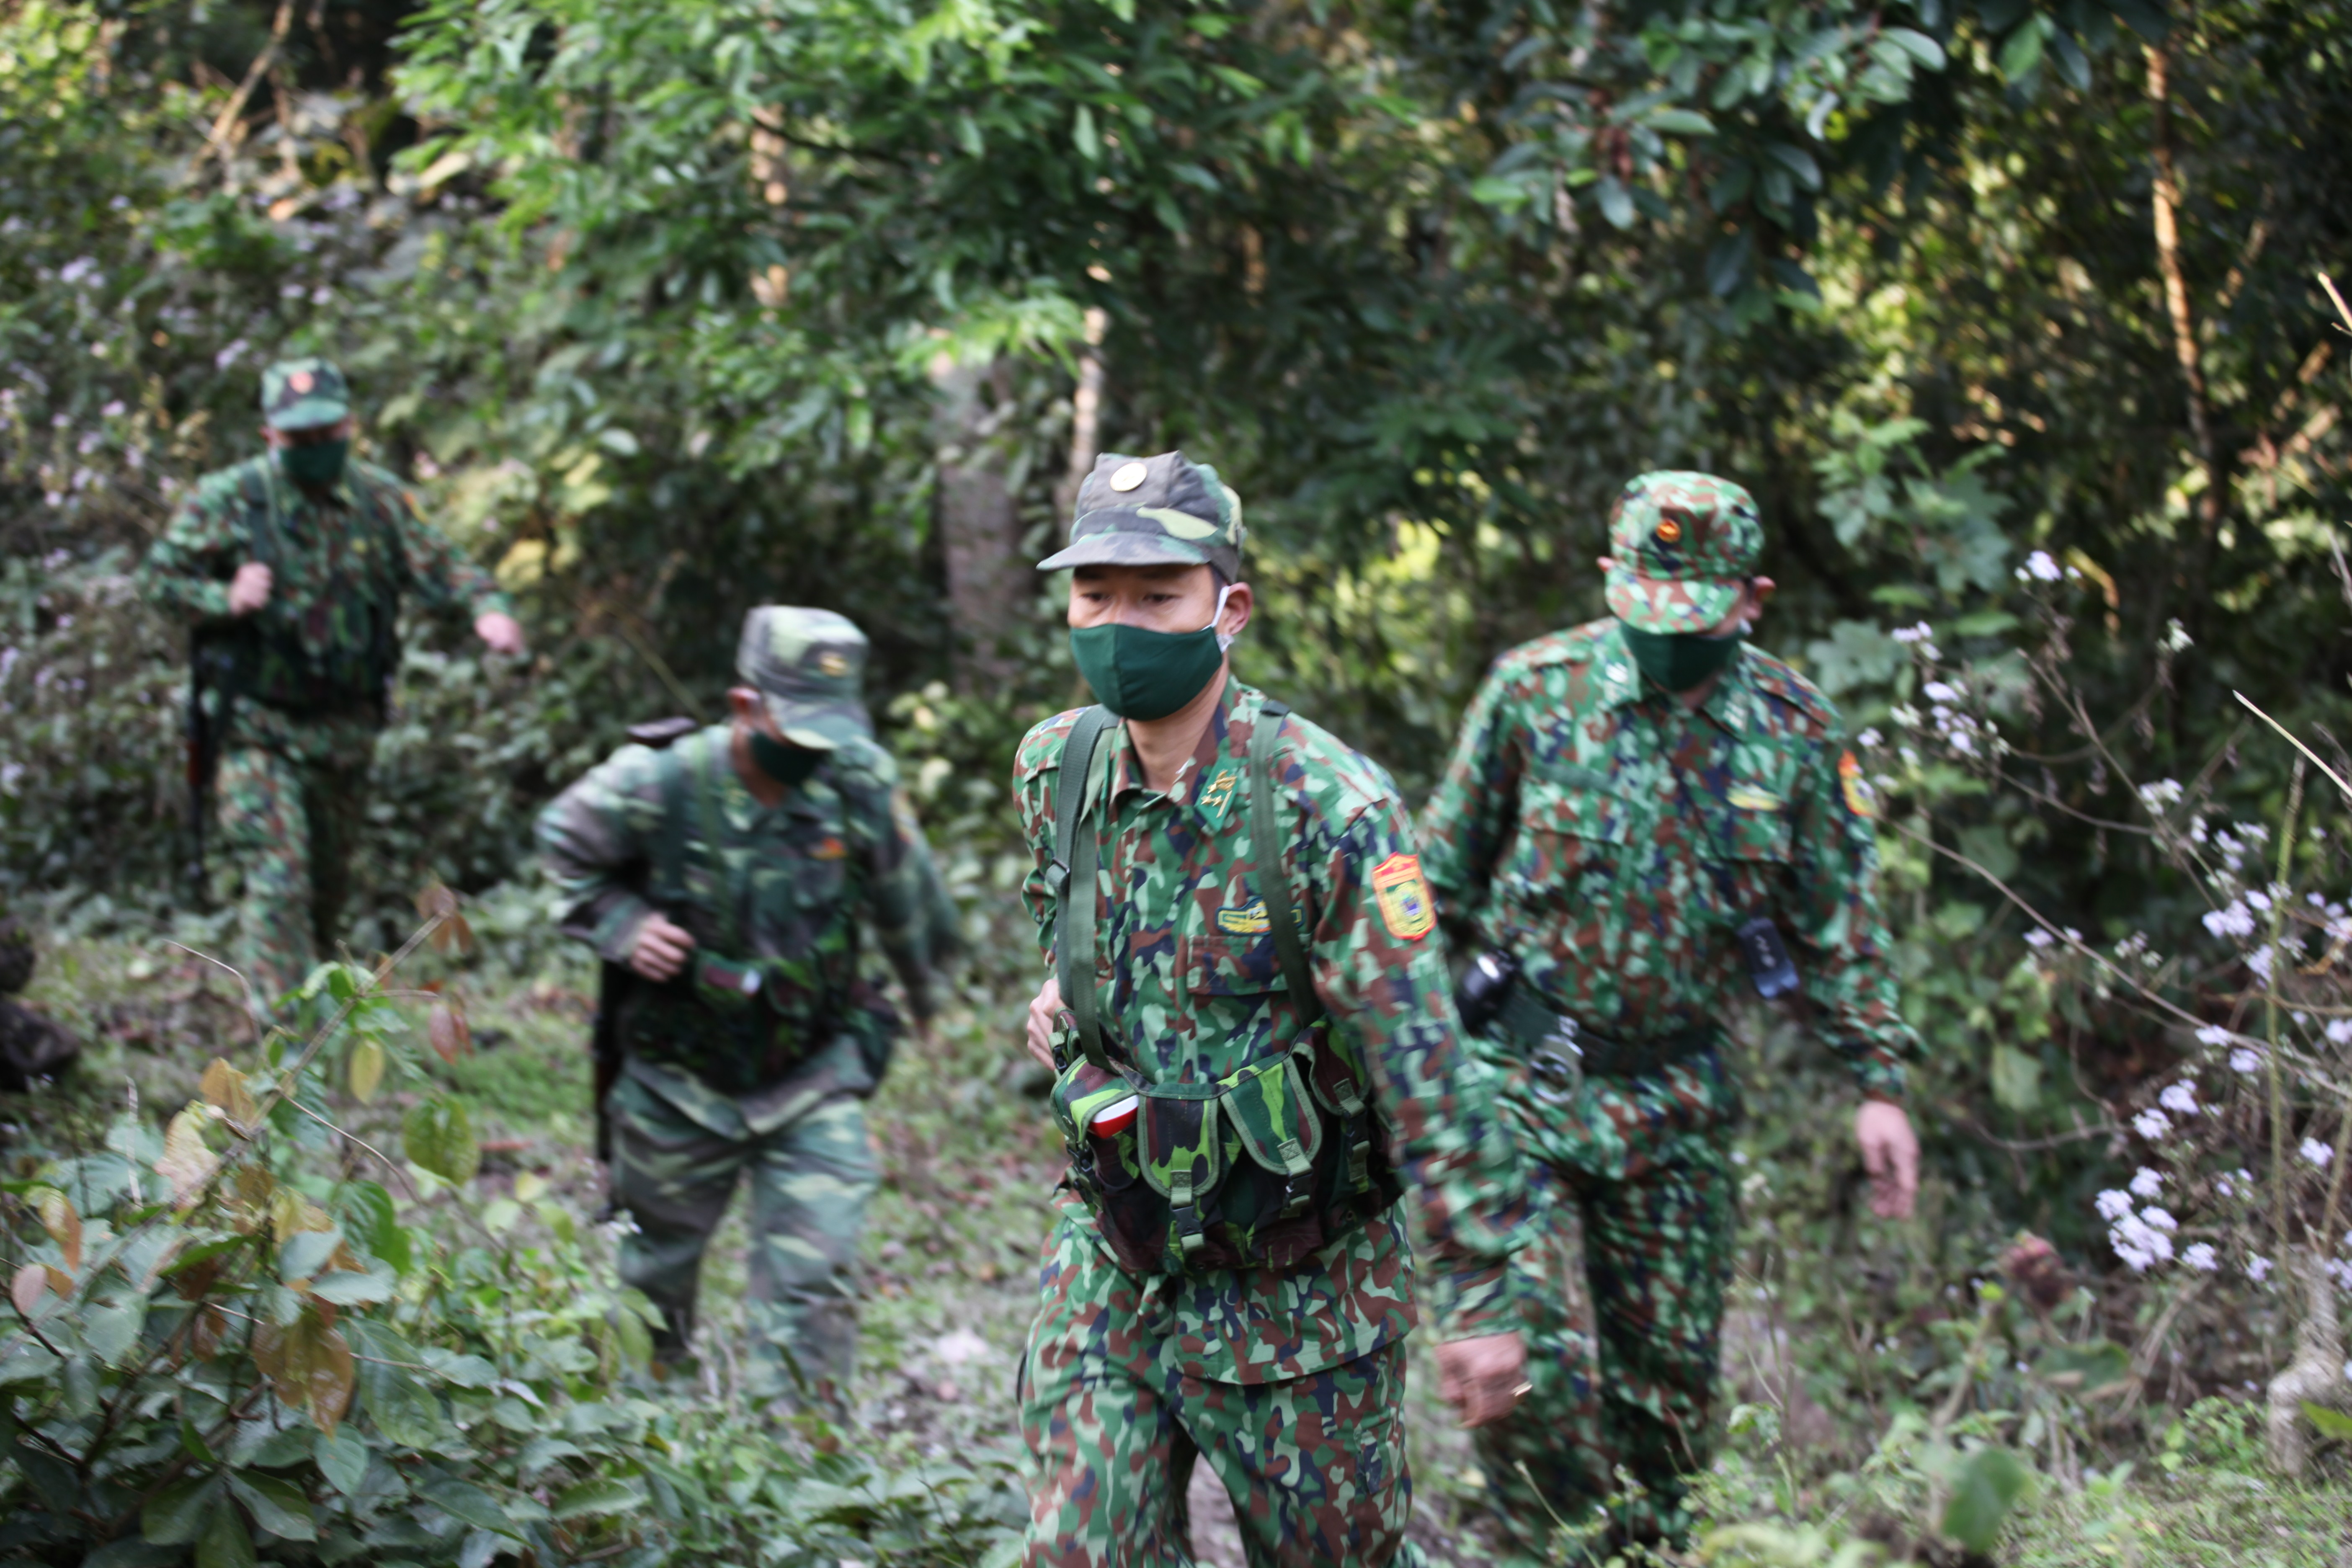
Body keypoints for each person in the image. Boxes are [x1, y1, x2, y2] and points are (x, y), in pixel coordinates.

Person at [1012, 451, 1529, 1568]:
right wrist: (1068, 995)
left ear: (1229, 608)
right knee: (1080, 1551)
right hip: (1117, 1263)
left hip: (1301, 1301)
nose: (1120, 623)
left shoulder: (1328, 808)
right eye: (1095, 594)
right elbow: (1080, 923)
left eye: (1159, 596)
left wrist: (1482, 1291)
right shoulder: (1057, 768)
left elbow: (1424, 1063)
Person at [1417, 470, 1924, 1553]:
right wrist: (1398, 1058)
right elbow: (1434, 889)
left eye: (1696, 617)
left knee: (1669, 1413)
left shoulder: (1791, 728)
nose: (1667, 641)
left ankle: (1640, 1545)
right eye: (1645, 610)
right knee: (1522, 1365)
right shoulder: (1534, 691)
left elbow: (1840, 919)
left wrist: (1879, 1082)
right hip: (1525, 1074)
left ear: (1753, 599)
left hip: (1680, 1102)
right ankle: (1548, 1538)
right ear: (1611, 581)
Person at [536, 606, 953, 1409]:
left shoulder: (857, 781)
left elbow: (913, 902)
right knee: (651, 1278)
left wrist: (924, 1000)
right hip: (676, 1079)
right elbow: (563, 842)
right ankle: (643, 1445)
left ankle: (800, 1469)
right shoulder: (659, 780)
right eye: (797, 730)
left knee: (816, 1277)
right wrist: (623, 925)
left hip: (811, 1075)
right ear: (744, 706)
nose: (812, 754)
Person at [137, 357, 524, 1008]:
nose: (316, 450)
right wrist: (222, 594)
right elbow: (157, 580)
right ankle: (284, 1052)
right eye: (299, 440)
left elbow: (445, 565)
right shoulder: (232, 499)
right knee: (278, 879)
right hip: (257, 728)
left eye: (327, 435)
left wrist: (490, 611)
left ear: (350, 426)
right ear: (270, 437)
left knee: (324, 894)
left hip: (346, 730)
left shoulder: (379, 502)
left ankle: (313, 1025)